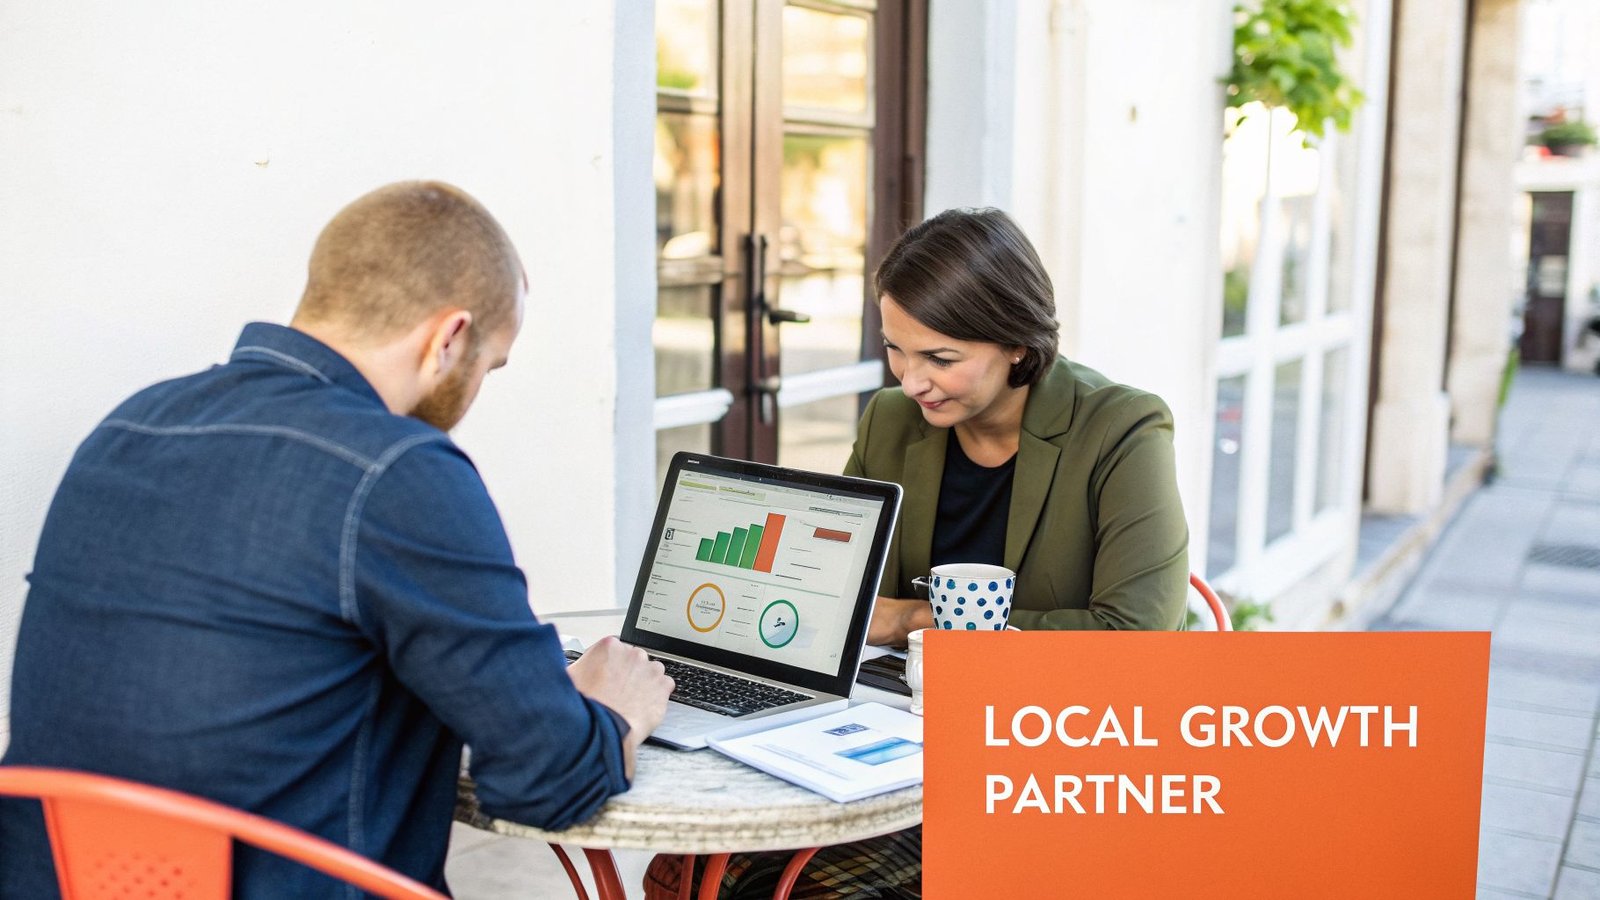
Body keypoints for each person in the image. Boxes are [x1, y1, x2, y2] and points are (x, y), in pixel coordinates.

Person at [0, 181, 673, 897]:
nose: (477, 388)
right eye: (488, 364)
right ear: (448, 338)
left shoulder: (132, 425)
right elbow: (544, 780)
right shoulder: (398, 470)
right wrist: (614, 711)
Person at [851, 207, 1189, 646]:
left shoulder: (1122, 430)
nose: (911, 382)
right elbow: (836, 591)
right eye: (895, 348)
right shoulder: (889, 419)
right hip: (899, 702)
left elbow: (1141, 637)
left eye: (940, 359)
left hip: (1054, 709)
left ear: (1017, 343)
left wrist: (913, 620)